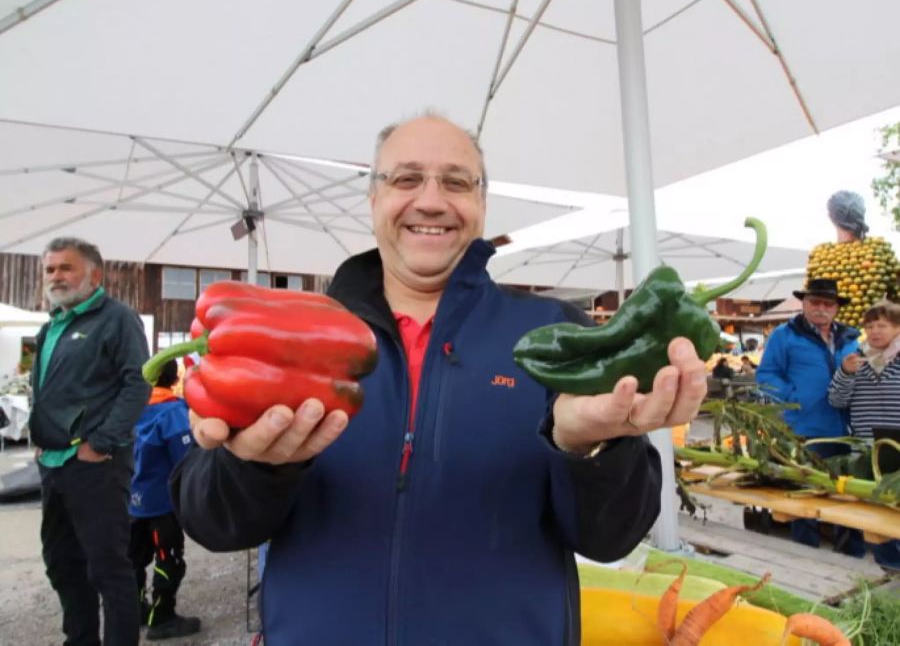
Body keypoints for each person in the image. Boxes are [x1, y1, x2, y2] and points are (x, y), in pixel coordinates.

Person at [171, 113, 709, 644]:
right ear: (373, 200)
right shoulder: (295, 338)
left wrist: (590, 449)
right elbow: (215, 526)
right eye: (405, 179)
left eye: (456, 182)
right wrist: (257, 468)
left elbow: (610, 539)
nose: (430, 200)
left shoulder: (554, 336)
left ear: (481, 204)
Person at [29, 237, 150, 646]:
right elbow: (45, 391)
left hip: (96, 464)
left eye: (66, 267)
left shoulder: (117, 318)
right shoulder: (50, 328)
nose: (56, 276)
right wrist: (39, 437)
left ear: (94, 275)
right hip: (53, 465)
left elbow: (139, 382)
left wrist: (101, 443)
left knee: (108, 568)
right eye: (50, 269)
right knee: (62, 563)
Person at [756, 277, 862, 554]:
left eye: (828, 304)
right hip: (804, 431)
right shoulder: (784, 335)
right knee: (805, 496)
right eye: (815, 302)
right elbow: (767, 375)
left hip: (844, 431)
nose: (821, 309)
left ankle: (850, 554)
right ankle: (806, 554)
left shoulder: (851, 338)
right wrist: (792, 401)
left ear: (836, 308)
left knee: (847, 497)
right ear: (804, 303)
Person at [128, 358, 202, 640]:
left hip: (132, 503)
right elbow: (185, 461)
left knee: (132, 559)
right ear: (174, 379)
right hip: (163, 504)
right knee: (168, 559)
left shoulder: (130, 411)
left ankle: (133, 611)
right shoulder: (173, 413)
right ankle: (162, 617)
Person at [827, 300, 900, 572]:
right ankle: (889, 566)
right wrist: (846, 373)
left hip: (898, 447)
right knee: (875, 509)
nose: (875, 331)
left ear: (897, 328)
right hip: (866, 449)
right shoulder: (857, 360)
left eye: (882, 325)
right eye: (870, 326)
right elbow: (836, 399)